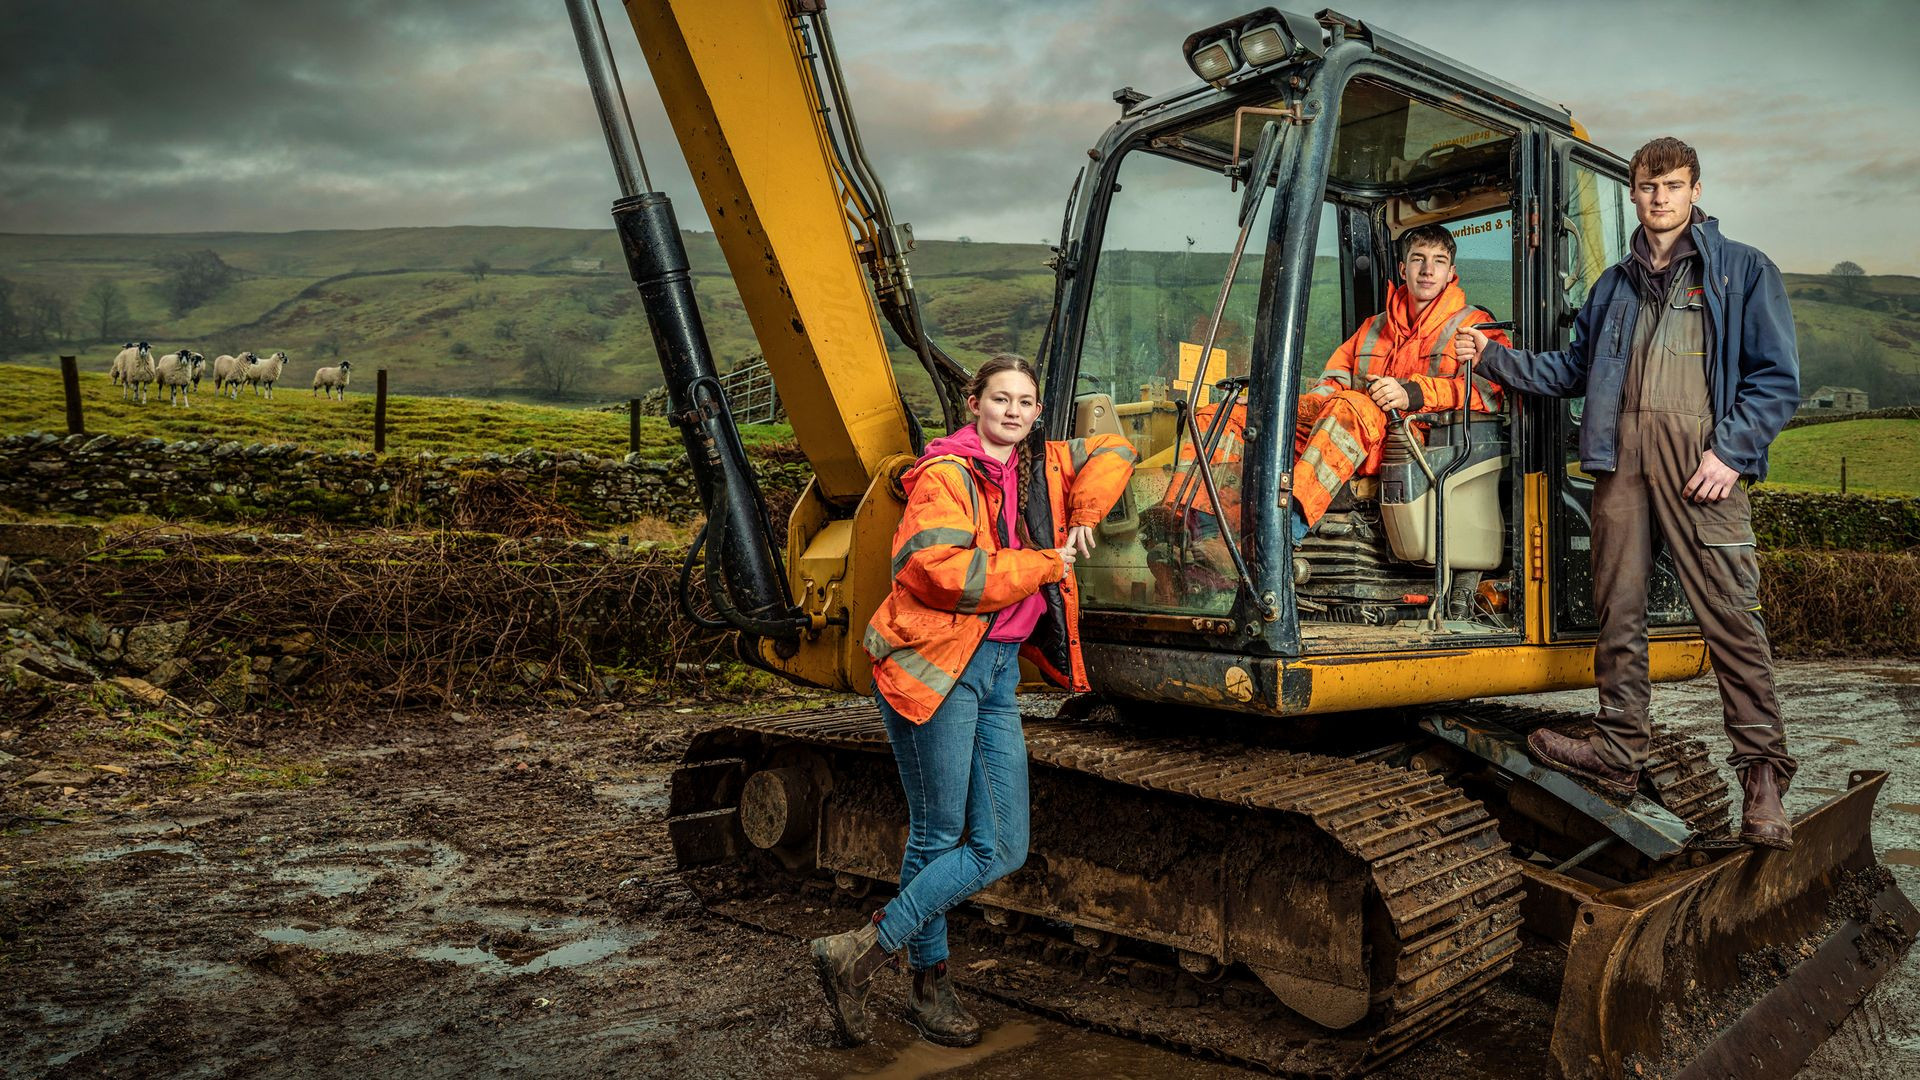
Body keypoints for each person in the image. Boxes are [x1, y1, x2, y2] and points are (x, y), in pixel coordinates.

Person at [1454, 137, 1800, 848]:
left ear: (1696, 189)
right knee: (1619, 613)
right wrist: (1491, 356)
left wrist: (1731, 453)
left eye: (1673, 184)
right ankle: (1619, 749)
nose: (1660, 197)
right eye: (1647, 186)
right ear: (1634, 193)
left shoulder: (1741, 271)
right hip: (1619, 465)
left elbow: (1776, 380)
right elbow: (1571, 369)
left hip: (1701, 465)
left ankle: (1763, 782)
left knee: (1732, 618)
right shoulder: (1612, 286)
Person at [809, 354, 1137, 1047]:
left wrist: (1081, 511)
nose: (1013, 412)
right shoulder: (946, 476)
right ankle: (926, 984)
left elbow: (1115, 446)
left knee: (1003, 845)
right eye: (1000, 400)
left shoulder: (1039, 465)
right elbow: (939, 571)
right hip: (935, 666)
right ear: (973, 404)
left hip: (995, 675)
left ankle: (857, 953)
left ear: (1037, 411)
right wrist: (1048, 562)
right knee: (938, 836)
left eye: (1025, 402)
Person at [1290, 222, 1510, 545]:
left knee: (1352, 407)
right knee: (1254, 411)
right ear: (1403, 268)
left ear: (1451, 273)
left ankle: (1287, 526)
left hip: (1422, 451)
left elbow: (1490, 393)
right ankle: (1205, 528)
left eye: (1438, 261)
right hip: (1355, 436)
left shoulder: (1474, 327)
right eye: (1419, 259)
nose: (1427, 270)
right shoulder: (1373, 328)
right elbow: (1333, 381)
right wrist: (1303, 410)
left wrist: (1414, 393)